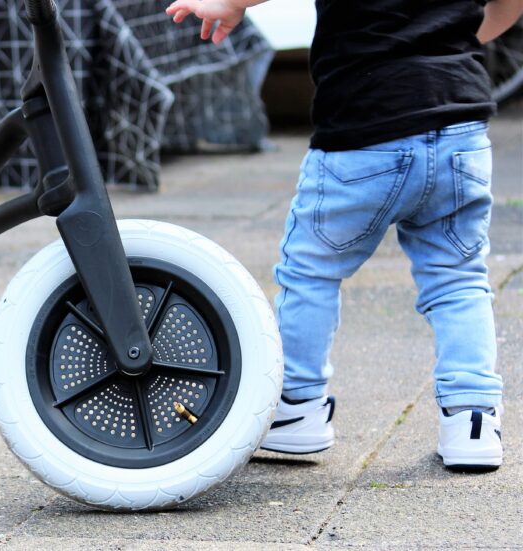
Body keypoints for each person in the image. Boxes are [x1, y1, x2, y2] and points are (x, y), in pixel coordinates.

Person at [166, 0, 523, 470]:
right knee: (457, 276)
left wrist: (231, 3)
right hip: (459, 122)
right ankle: (473, 420)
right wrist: (450, 43)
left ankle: (297, 408)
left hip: (365, 128)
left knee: (312, 269)